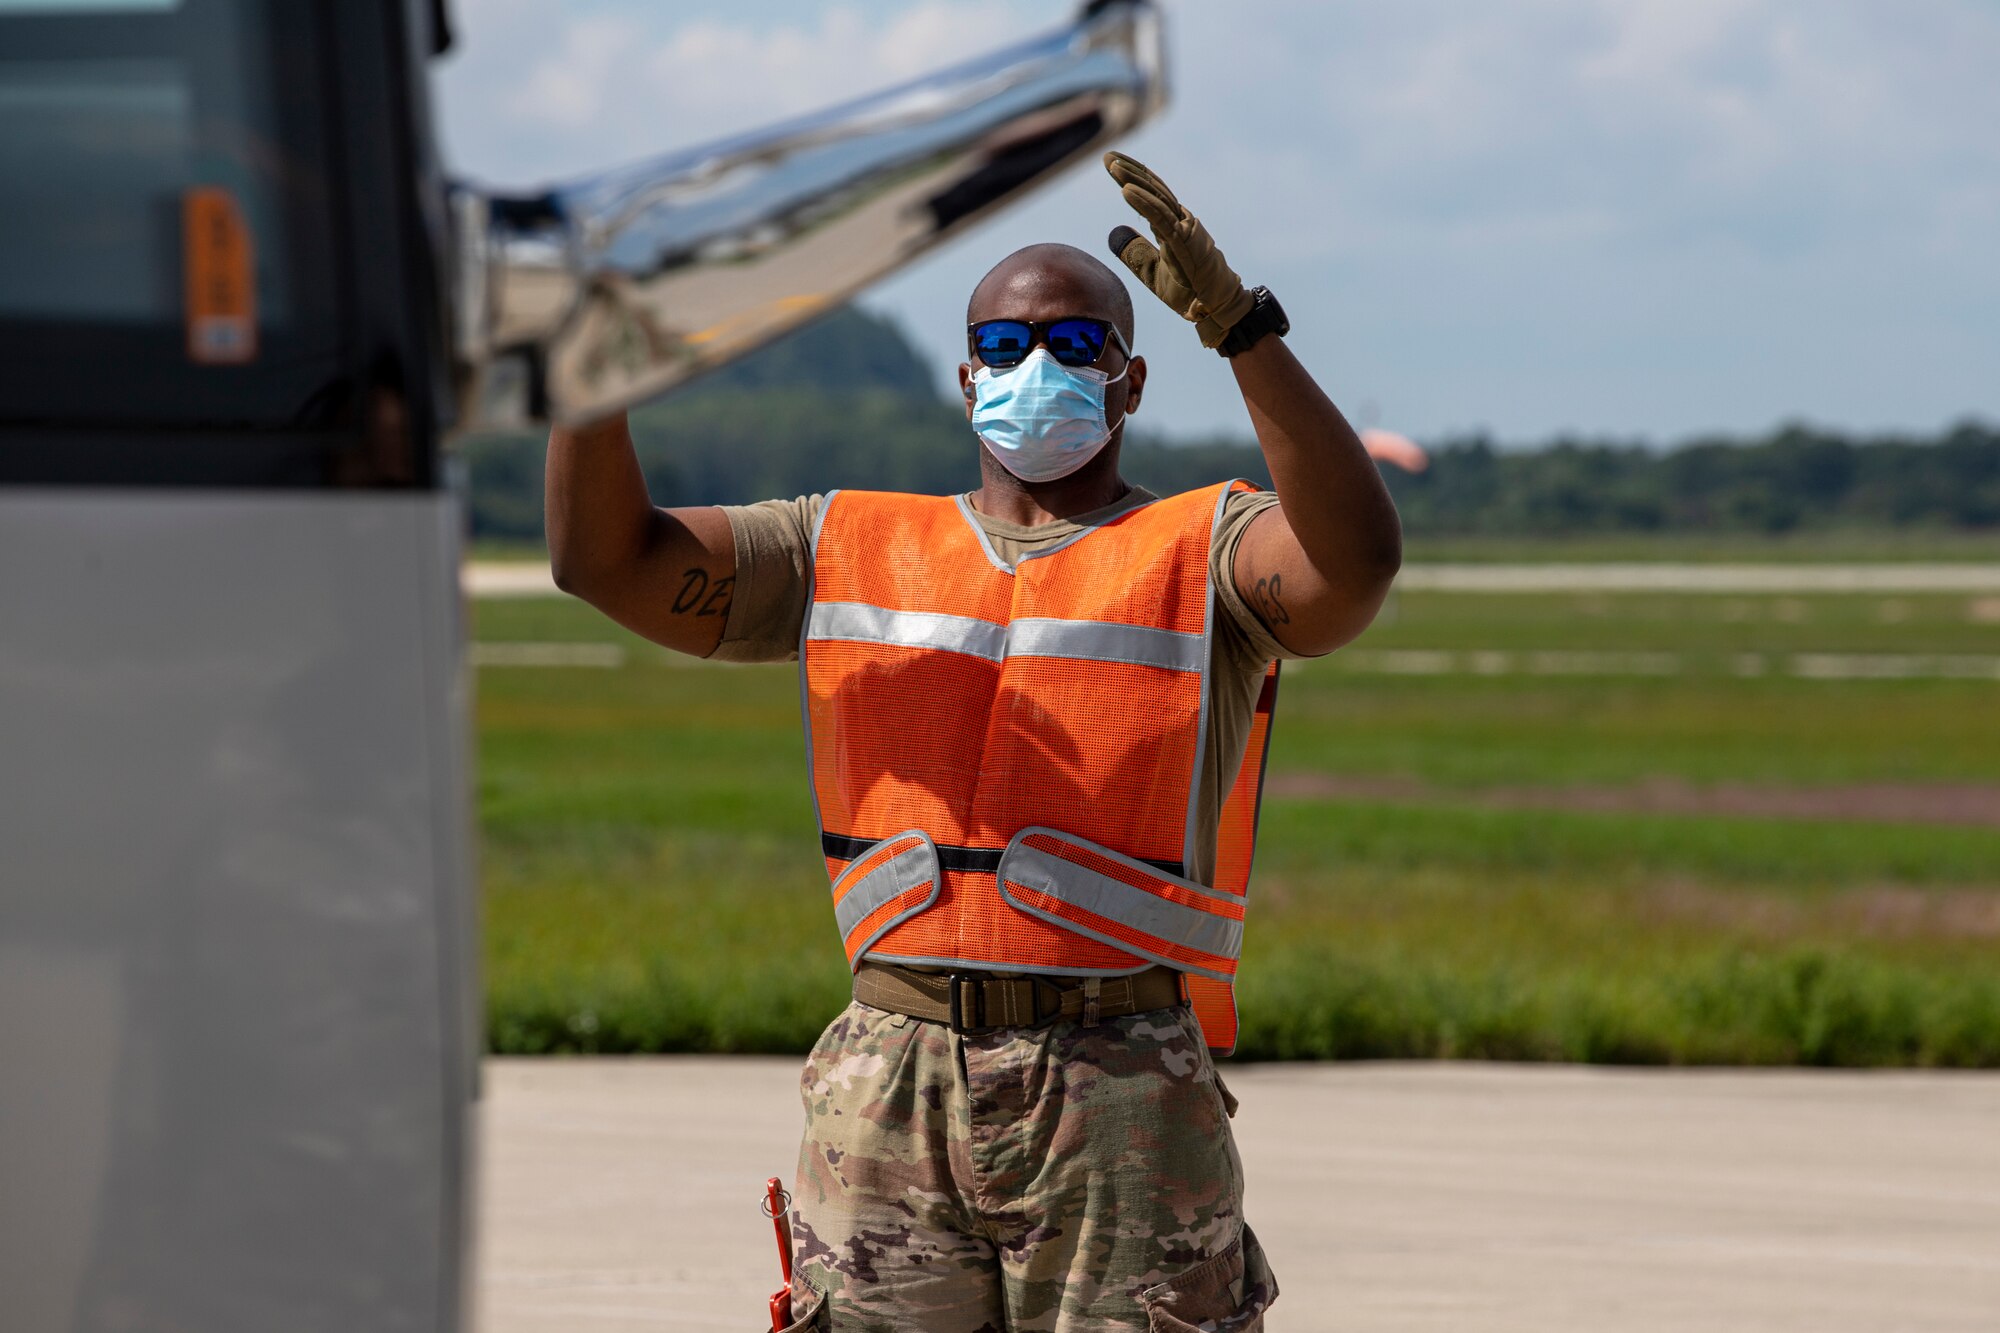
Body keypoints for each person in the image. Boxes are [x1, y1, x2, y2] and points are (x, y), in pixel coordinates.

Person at [546, 153, 1402, 1332]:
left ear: (1131, 379)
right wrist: (589, 374)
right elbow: (606, 563)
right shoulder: (835, 543)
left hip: (1119, 1081)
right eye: (1002, 348)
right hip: (893, 1069)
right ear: (962, 379)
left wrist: (1242, 329)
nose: (1033, 368)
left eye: (1072, 344)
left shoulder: (1203, 546)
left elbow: (1351, 566)